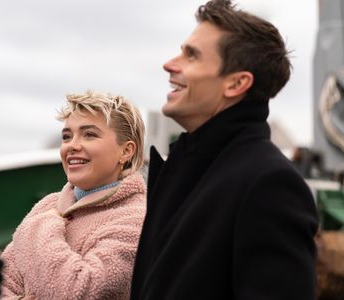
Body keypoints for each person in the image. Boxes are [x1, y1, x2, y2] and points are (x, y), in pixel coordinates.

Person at [130, 1, 318, 299]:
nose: (170, 64)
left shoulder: (270, 184)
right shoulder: (182, 168)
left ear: (237, 83)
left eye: (191, 55)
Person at [0, 91, 146, 299]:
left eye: (90, 135)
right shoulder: (48, 205)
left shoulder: (135, 220)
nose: (72, 145)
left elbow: (77, 291)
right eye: (67, 136)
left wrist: (42, 227)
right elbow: (0, 285)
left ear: (126, 151)